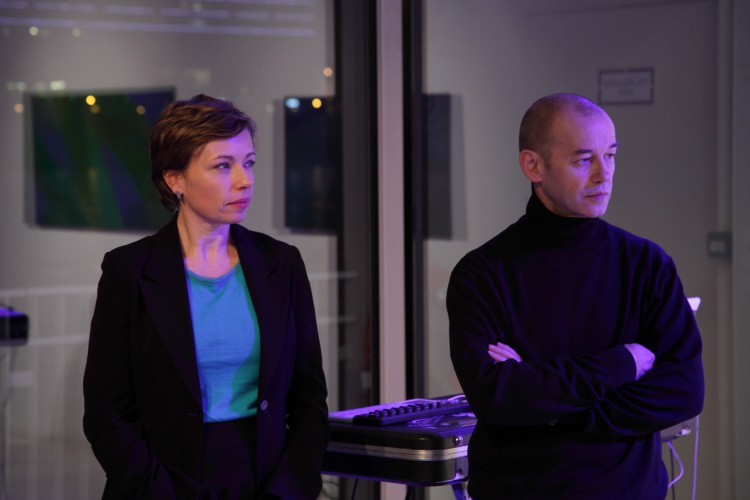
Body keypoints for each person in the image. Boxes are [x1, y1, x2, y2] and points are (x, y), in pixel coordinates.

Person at [446, 93, 704, 499]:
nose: (604, 175)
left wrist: (547, 403)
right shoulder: (481, 274)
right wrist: (621, 363)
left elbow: (684, 391)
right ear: (533, 166)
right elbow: (496, 398)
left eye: (611, 156)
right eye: (584, 160)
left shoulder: (646, 264)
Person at [83, 94, 329, 499]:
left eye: (248, 162)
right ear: (174, 179)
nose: (244, 180)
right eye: (222, 166)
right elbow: (107, 416)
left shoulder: (281, 264)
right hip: (163, 482)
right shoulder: (129, 271)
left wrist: (288, 490)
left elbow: (309, 399)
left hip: (266, 479)